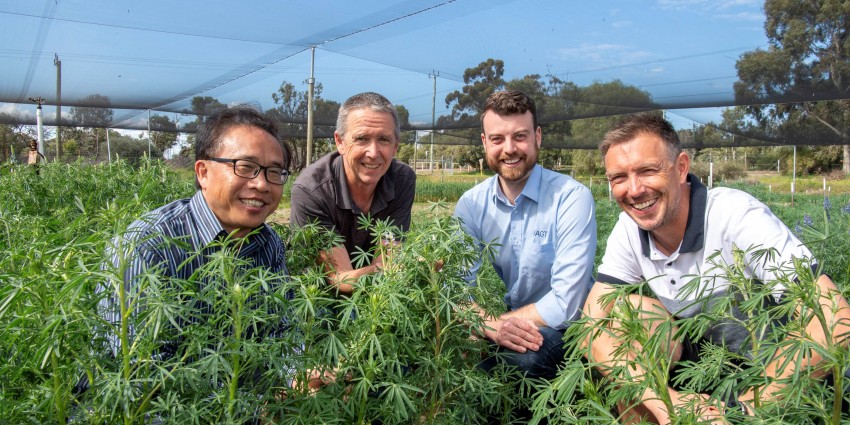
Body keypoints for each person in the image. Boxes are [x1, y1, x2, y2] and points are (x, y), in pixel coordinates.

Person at [584, 113, 850, 423]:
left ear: (681, 167)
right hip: (699, 372)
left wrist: (744, 408)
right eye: (619, 177)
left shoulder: (735, 214)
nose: (634, 189)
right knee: (628, 314)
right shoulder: (629, 229)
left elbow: (837, 320)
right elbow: (590, 327)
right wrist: (667, 404)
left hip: (777, 375)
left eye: (648, 171)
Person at [99, 104, 294, 365]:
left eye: (274, 172)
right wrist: (255, 405)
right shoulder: (146, 245)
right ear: (203, 172)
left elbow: (282, 330)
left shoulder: (268, 243)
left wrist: (296, 378)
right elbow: (142, 371)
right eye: (245, 166)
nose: (261, 184)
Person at [453, 90, 597, 379]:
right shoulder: (471, 204)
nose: (509, 149)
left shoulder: (570, 197)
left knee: (521, 361)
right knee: (446, 354)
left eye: (520, 136)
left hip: (572, 327)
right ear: (485, 143)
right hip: (514, 318)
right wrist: (487, 325)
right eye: (497, 139)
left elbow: (566, 304)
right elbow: (456, 288)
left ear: (537, 137)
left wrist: (491, 324)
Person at [290, 92, 416, 295]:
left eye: (383, 139)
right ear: (340, 142)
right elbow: (341, 280)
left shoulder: (402, 180)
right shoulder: (311, 190)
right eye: (362, 139)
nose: (373, 153)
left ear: (395, 147)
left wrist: (395, 267)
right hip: (318, 303)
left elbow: (387, 256)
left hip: (375, 297)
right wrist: (409, 267)